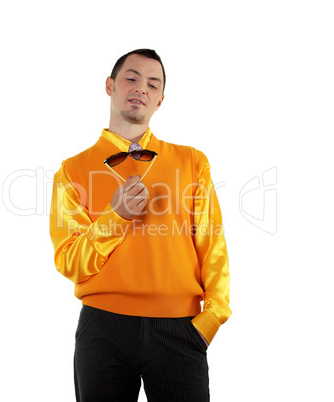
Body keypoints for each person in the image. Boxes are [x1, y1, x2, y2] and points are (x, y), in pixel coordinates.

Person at [49, 48, 231, 402]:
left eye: (152, 84)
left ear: (160, 100)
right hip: (103, 329)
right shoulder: (71, 171)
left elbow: (213, 247)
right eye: (131, 78)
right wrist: (114, 218)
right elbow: (69, 261)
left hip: (181, 330)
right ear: (110, 85)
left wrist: (210, 321)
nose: (141, 89)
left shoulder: (192, 162)